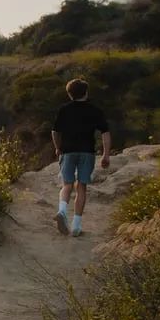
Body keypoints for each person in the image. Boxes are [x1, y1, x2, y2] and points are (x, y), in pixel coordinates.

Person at [51, 78, 111, 237]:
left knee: (67, 184)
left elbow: (55, 131)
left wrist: (58, 148)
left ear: (70, 94)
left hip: (68, 151)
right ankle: (76, 225)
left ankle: (62, 211)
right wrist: (106, 154)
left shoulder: (64, 110)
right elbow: (105, 132)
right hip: (87, 152)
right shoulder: (95, 110)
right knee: (81, 187)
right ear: (86, 92)